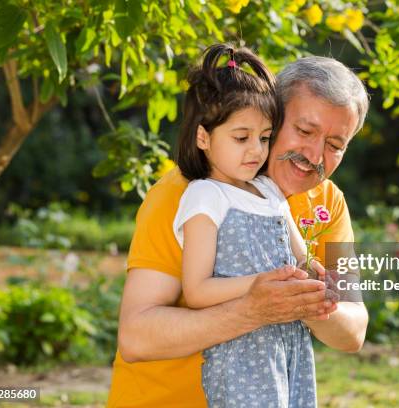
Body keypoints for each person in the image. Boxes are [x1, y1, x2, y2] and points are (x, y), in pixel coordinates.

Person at [108, 48, 370, 408]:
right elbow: (137, 337)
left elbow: (354, 329)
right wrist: (254, 309)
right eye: (304, 130)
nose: (313, 154)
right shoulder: (188, 192)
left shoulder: (327, 202)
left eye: (334, 145)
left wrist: (304, 300)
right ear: (271, 116)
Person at [173, 43, 318, 407]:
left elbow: (303, 259)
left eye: (265, 137)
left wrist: (317, 276)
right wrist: (260, 285)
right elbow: (197, 290)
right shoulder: (205, 196)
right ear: (204, 137)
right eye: (241, 138)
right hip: (242, 355)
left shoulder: (269, 191)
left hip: (290, 347)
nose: (256, 150)